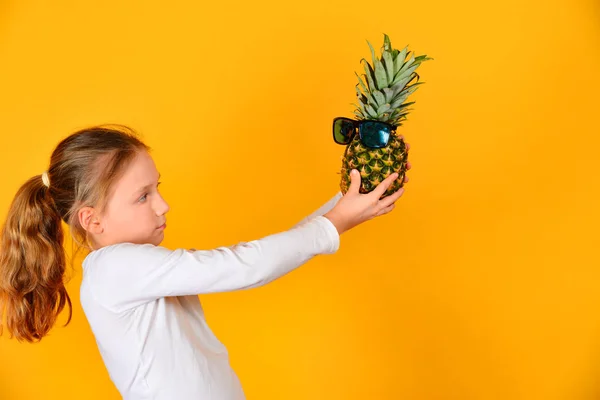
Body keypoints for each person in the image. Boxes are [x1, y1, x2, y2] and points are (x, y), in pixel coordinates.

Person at [0, 124, 409, 399]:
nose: (163, 205)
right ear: (93, 220)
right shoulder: (116, 269)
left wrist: (345, 206)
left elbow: (253, 257)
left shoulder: (138, 267)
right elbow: (241, 266)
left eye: (157, 188)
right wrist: (335, 222)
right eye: (143, 196)